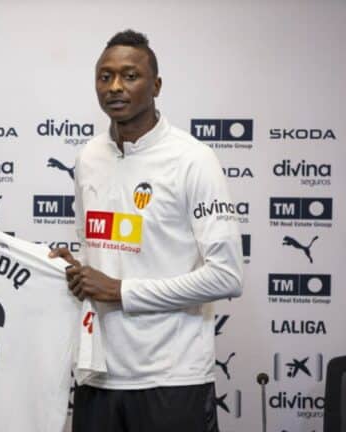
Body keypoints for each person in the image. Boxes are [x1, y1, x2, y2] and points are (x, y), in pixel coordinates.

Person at [50, 30, 243, 431]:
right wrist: (76, 269)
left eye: (129, 75)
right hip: (97, 374)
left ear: (155, 85)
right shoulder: (88, 157)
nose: (115, 87)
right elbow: (104, 252)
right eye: (105, 77)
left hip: (172, 378)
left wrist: (121, 291)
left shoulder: (194, 159)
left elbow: (226, 276)